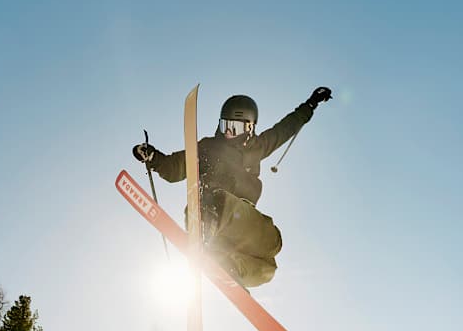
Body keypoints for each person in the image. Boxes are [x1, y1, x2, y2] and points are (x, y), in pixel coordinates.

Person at [132, 87, 332, 287]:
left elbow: (286, 127)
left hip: (240, 224)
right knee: (224, 203)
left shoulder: (258, 147)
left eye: (234, 127)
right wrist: (154, 158)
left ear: (249, 128)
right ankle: (206, 227)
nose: (227, 132)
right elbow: (175, 167)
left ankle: (231, 268)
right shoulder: (208, 147)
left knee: (271, 256)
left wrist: (311, 103)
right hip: (209, 211)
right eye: (224, 125)